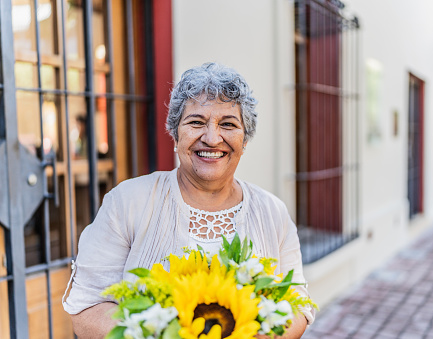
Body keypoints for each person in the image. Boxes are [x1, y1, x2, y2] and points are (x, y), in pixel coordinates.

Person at [62, 62, 314, 338]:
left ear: (244, 140)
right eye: (196, 122)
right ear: (175, 134)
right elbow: (88, 305)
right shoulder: (127, 202)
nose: (212, 138)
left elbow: (297, 303)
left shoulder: (272, 212)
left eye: (228, 124)